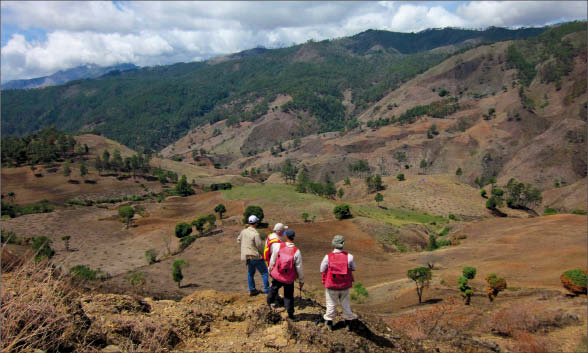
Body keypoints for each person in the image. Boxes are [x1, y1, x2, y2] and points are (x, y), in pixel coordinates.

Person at [320, 235, 356, 331]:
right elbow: (354, 268)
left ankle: (329, 323)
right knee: (345, 304)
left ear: (333, 244)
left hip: (331, 285)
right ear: (343, 244)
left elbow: (322, 269)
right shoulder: (349, 257)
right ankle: (348, 323)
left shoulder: (328, 257)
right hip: (344, 286)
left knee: (331, 304)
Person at [267, 229, 304, 320]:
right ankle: (290, 315)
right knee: (288, 296)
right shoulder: (296, 251)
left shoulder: (279, 246)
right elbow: (299, 268)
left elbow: (273, 259)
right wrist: (301, 280)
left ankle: (268, 305)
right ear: (293, 237)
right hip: (288, 278)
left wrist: (270, 269)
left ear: (286, 236)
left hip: (278, 275)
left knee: (273, 289)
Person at [237, 215, 269, 296]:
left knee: (250, 273)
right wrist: (263, 253)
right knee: (264, 272)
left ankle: (252, 290)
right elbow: (259, 246)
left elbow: (238, 240)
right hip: (255, 256)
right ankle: (266, 290)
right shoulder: (255, 234)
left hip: (247, 256)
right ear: (256, 223)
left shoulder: (243, 231)